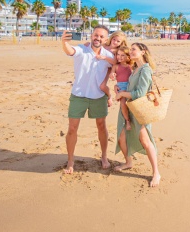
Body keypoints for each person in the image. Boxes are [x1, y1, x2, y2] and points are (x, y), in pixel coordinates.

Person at [61, 25, 114, 174]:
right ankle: (70, 160)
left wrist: (111, 87)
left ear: (106, 39)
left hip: (98, 97)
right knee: (72, 129)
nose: (98, 38)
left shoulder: (108, 55)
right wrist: (64, 42)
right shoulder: (81, 49)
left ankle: (104, 156)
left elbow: (118, 64)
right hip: (78, 95)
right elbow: (70, 50)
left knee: (102, 126)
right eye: (96, 35)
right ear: (92, 35)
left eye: (102, 36)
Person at [114, 42, 161, 187]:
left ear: (143, 51)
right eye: (131, 50)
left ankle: (156, 173)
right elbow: (130, 86)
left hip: (139, 110)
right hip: (127, 108)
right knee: (121, 137)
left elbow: (140, 93)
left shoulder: (145, 70)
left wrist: (122, 93)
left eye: (134, 49)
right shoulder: (135, 68)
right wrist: (119, 88)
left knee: (145, 141)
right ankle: (128, 162)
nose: (131, 52)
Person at [89, 31, 128, 107]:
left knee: (102, 86)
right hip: (97, 66)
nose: (115, 42)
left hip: (108, 68)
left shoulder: (117, 51)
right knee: (94, 83)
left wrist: (104, 57)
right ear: (111, 38)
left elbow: (115, 62)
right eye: (114, 39)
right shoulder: (104, 45)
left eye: (118, 41)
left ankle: (109, 96)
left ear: (121, 43)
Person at [110, 46, 133, 130]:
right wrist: (112, 75)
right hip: (121, 87)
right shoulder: (116, 66)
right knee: (123, 103)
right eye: (118, 54)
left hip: (130, 86)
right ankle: (127, 121)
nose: (119, 57)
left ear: (128, 56)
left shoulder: (131, 66)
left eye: (122, 55)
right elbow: (111, 74)